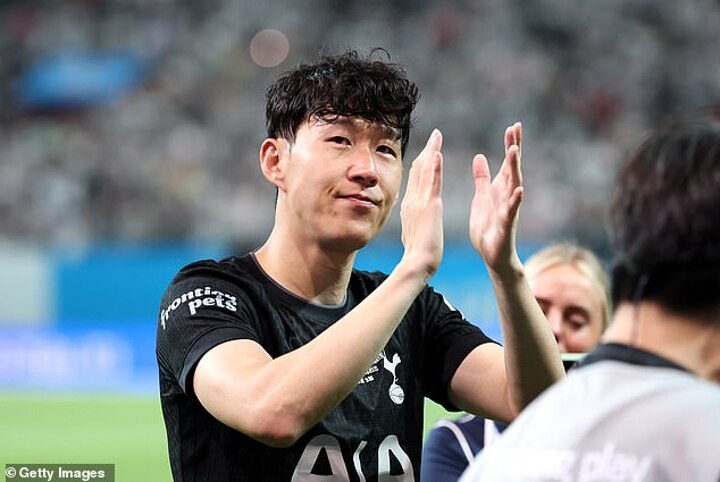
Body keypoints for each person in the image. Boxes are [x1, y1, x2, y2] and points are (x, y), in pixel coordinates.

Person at [156, 49, 564, 481]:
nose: (367, 170)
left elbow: (541, 408)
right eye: (340, 141)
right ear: (276, 162)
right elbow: (271, 412)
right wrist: (413, 269)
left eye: (386, 148)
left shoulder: (412, 311)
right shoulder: (207, 296)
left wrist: (505, 269)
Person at [459, 119, 720, 482]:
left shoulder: (499, 459)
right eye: (541, 309)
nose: (554, 329)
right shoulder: (707, 442)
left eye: (577, 317)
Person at [421, 242, 611, 482]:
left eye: (576, 321)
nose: (553, 329)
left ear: (605, 336)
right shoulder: (458, 442)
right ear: (510, 321)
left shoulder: (628, 435)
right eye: (537, 312)